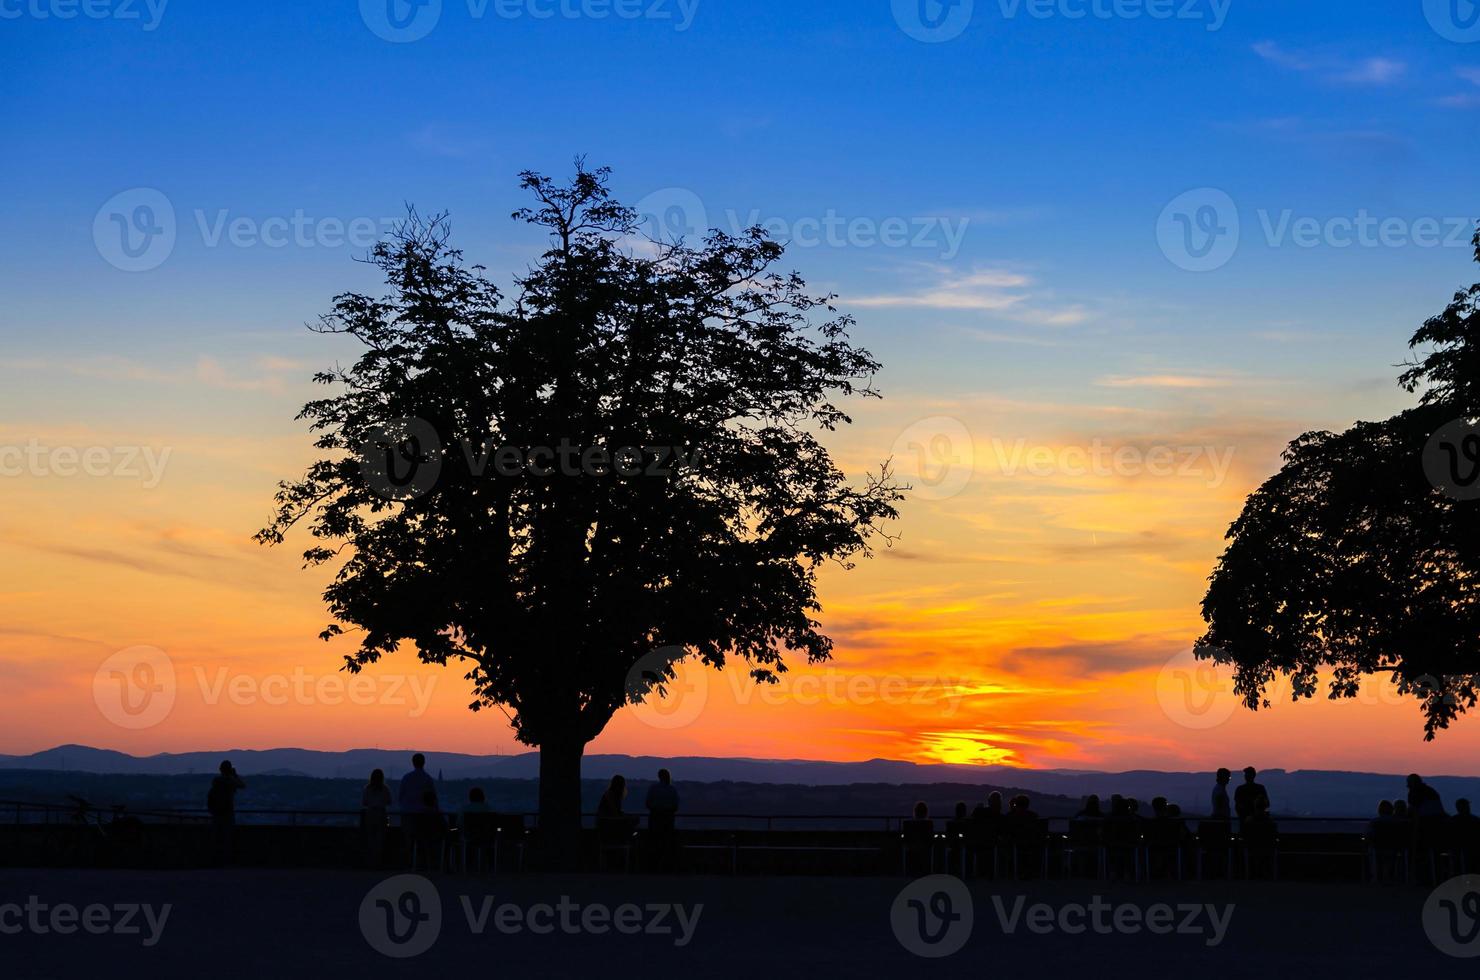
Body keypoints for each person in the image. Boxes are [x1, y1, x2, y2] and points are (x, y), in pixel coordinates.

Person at [207, 760, 245, 864]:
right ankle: (226, 860)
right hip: (227, 812)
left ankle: (215, 860)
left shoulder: (217, 780)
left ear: (220, 770)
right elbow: (242, 785)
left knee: (216, 837)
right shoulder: (231, 781)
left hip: (216, 812)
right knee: (227, 838)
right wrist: (235, 775)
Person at [644, 769, 680, 871]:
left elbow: (648, 803)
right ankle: (667, 866)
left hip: (655, 818)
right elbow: (676, 806)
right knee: (666, 843)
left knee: (654, 842)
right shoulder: (672, 789)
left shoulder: (653, 789)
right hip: (668, 819)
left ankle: (653, 865)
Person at [361, 769, 393, 867]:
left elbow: (364, 802)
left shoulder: (367, 788)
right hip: (381, 814)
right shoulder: (385, 789)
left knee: (370, 838)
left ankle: (370, 861)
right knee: (380, 839)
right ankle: (378, 861)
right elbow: (389, 801)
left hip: (370, 814)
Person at [397, 753, 436, 824]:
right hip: (423, 814)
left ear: (413, 762)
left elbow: (400, 796)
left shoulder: (406, 777)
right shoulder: (428, 779)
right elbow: (433, 798)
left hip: (408, 813)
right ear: (424, 763)